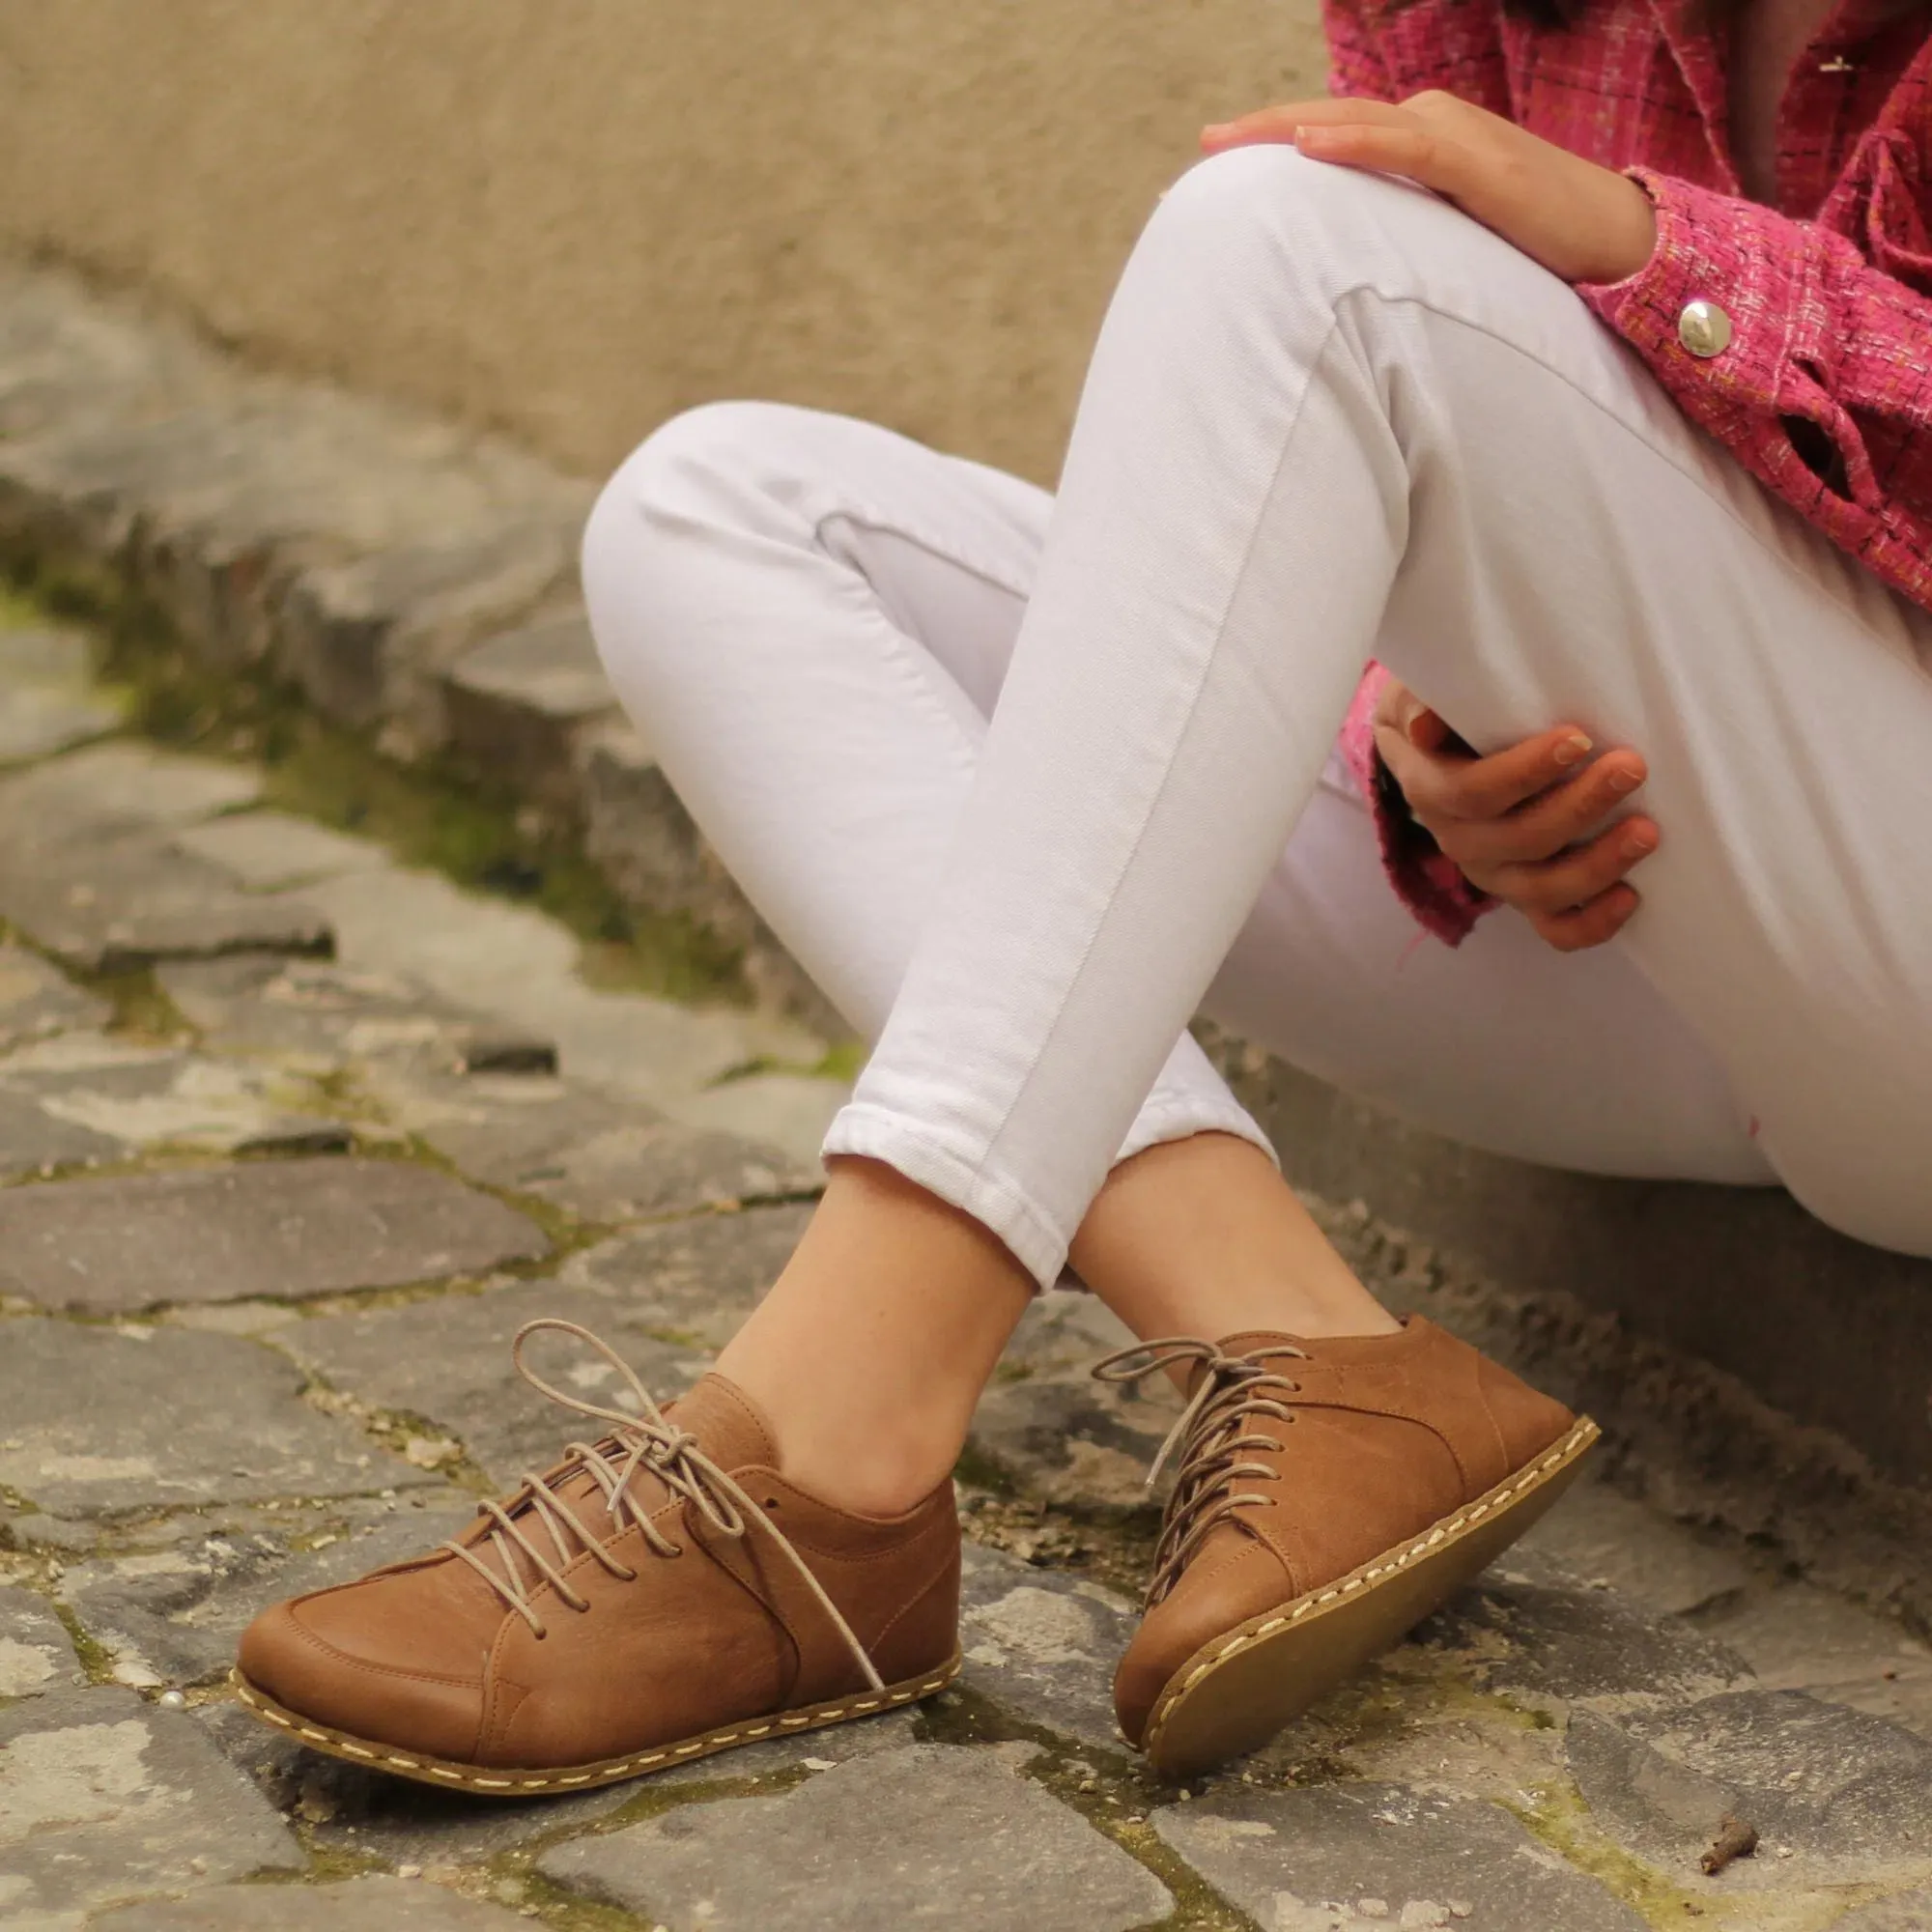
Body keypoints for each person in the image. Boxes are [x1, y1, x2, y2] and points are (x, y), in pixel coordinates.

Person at [234, 0, 1932, 1795]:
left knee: (1295, 245)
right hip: (1635, 947)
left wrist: (1643, 246)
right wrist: (1413, 742)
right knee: (712, 513)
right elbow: (1428, 484)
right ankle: (1319, 1355)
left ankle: (830, 1447)